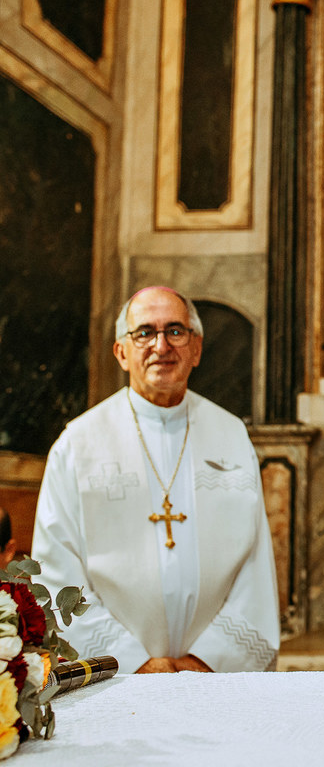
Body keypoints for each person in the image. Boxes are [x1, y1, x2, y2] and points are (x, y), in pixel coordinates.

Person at [32, 286, 280, 674]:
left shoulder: (231, 436)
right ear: (121, 352)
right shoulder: (78, 445)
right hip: (116, 677)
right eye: (144, 332)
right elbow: (56, 568)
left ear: (196, 349)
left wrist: (208, 659)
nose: (161, 346)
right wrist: (134, 663)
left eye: (175, 331)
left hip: (214, 676)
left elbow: (256, 561)